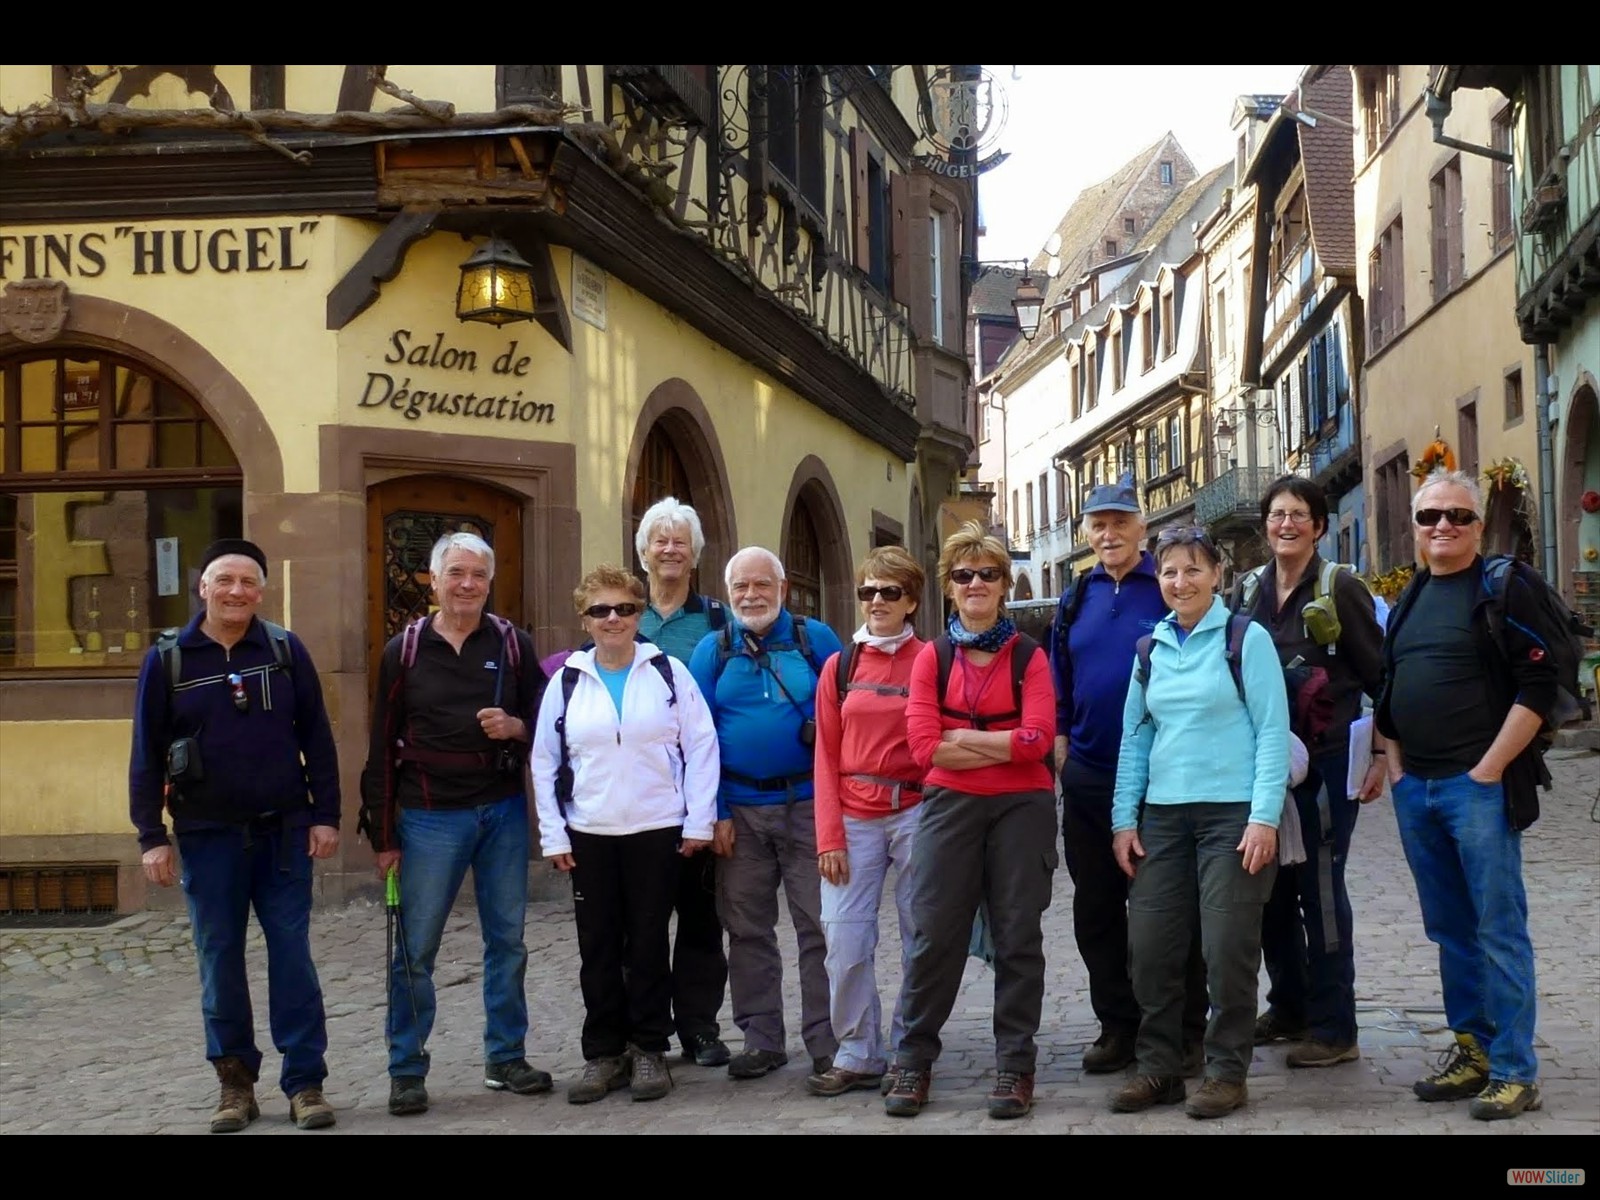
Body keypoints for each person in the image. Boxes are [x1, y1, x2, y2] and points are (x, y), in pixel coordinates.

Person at [129, 538, 341, 1133]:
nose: (236, 591)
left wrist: (325, 814)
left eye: (248, 582)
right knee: (219, 960)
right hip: (205, 836)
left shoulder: (282, 649)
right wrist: (151, 836)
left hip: (282, 836)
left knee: (292, 958)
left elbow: (317, 739)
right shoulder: (169, 658)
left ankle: (305, 1083)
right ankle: (234, 1086)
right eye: (225, 580)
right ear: (203, 586)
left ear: (263, 591)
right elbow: (144, 753)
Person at [1375, 469, 1555, 1120]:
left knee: (1498, 930)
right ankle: (1472, 1049)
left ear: (1478, 526)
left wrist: (1486, 771)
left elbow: (1539, 690)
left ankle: (1514, 1070)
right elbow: (1388, 686)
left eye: (1456, 516)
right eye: (1429, 517)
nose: (1442, 526)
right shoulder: (1413, 594)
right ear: (1416, 528)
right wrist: (1394, 765)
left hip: (1475, 789)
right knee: (1450, 930)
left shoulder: (1500, 588)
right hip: (1416, 787)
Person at [359, 531, 550, 1117]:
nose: (468, 585)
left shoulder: (513, 644)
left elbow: (550, 723)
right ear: (435, 581)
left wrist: (516, 729)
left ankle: (505, 1057)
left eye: (479, 576)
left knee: (508, 942)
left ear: (490, 584)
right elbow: (380, 744)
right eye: (457, 573)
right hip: (428, 815)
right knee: (415, 950)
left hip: (501, 811)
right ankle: (407, 1068)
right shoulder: (406, 649)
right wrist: (384, 836)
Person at [1110, 526, 1289, 1120]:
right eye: (1168, 572)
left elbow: (1271, 733)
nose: (1179, 582)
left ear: (1218, 574)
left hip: (1231, 815)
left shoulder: (1247, 638)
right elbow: (1135, 741)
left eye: (1192, 570)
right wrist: (1122, 821)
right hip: (1162, 817)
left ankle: (1226, 1072)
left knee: (1227, 947)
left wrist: (1264, 817)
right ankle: (1159, 1067)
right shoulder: (1150, 649)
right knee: (1152, 948)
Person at [884, 521, 1056, 1121]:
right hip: (950, 804)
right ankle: (912, 1059)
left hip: (1021, 807)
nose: (976, 583)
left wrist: (967, 736)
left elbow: (1038, 742)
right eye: (964, 575)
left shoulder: (1029, 655)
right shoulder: (932, 657)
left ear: (1004, 584)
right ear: (949, 588)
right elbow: (925, 747)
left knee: (1017, 935)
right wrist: (996, 741)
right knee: (934, 932)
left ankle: (1015, 1065)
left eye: (987, 573)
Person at [531, 565, 721, 1104]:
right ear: (584, 619)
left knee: (647, 942)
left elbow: (702, 745)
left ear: (639, 615)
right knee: (597, 946)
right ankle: (602, 1053)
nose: (613, 619)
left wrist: (698, 820)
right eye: (600, 610)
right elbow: (544, 761)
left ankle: (648, 1049)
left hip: (657, 828)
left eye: (624, 609)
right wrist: (555, 835)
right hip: (590, 832)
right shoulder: (567, 680)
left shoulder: (668, 673)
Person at [1050, 478, 1209, 1076]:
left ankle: (1187, 1029)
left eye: (1120, 522)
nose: (1109, 534)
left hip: (1162, 775)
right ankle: (1118, 1024)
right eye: (1098, 524)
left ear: (1141, 526)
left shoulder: (1167, 586)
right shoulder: (1077, 596)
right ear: (1086, 533)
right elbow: (1059, 671)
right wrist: (1062, 737)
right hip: (1090, 773)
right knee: (1096, 908)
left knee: (1171, 907)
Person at [1232, 475, 1387, 1068]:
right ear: (1266, 524)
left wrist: (1377, 755)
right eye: (1277, 514)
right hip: (1266, 767)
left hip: (1323, 767)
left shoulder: (1339, 587)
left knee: (1319, 892)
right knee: (1268, 888)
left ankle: (1334, 1027)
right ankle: (1290, 1006)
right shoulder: (1247, 591)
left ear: (1319, 526)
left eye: (1299, 514)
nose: (1287, 524)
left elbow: (1380, 676)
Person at [687, 546, 843, 1082]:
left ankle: (828, 1039)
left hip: (807, 806)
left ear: (782, 587)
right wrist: (717, 812)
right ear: (727, 594)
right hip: (741, 812)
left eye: (761, 585)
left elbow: (846, 718)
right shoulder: (713, 649)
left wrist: (837, 805)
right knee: (747, 927)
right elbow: (698, 738)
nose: (751, 596)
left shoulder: (814, 639)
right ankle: (762, 1038)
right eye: (740, 588)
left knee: (819, 926)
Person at [808, 546, 928, 1097]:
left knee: (919, 937)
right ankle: (857, 1050)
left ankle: (909, 1050)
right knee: (844, 939)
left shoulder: (932, 660)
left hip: (917, 813)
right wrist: (828, 835)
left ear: (911, 601)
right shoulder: (841, 666)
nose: (876, 601)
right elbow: (825, 757)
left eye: (890, 592)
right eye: (868, 591)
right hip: (854, 819)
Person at [634, 497, 733, 1068]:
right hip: (635, 798)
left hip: (695, 794)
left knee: (700, 920)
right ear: (644, 551)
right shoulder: (621, 614)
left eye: (680, 541)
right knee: (638, 923)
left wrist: (717, 805)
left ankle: (698, 1026)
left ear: (695, 554)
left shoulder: (717, 621)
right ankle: (643, 1030)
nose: (670, 549)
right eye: (660, 540)